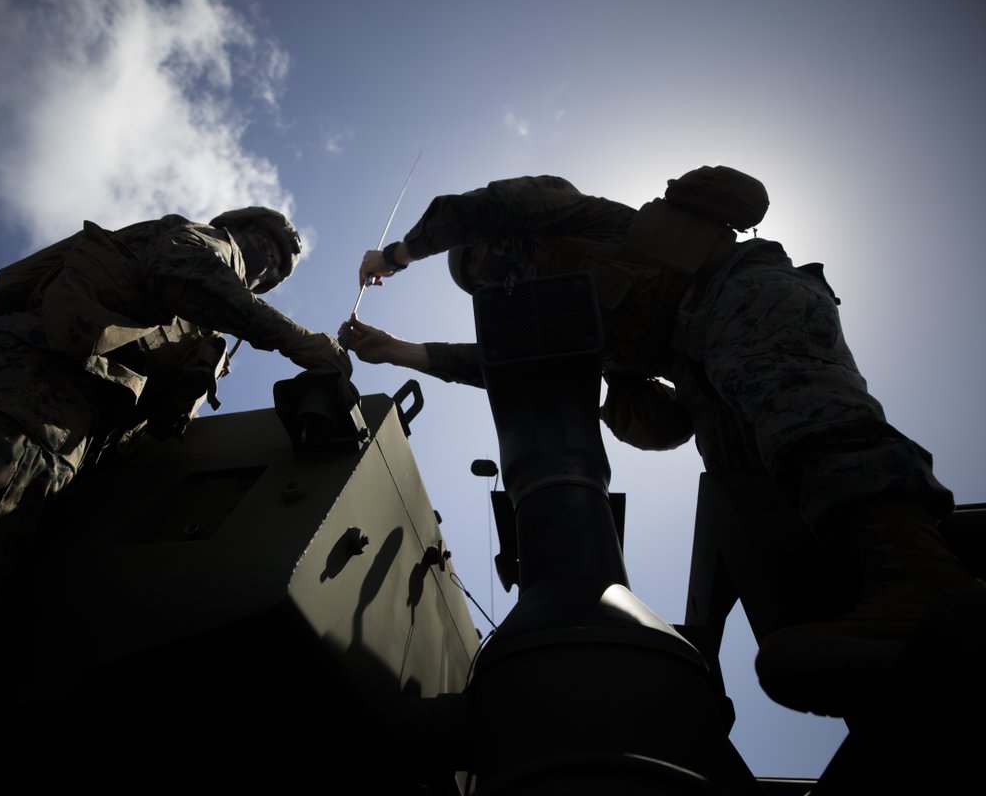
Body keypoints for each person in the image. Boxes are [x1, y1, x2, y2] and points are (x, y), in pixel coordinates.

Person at [339, 170, 983, 718]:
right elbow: (510, 360)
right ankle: (867, 630)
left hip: (734, 291)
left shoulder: (568, 215)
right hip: (696, 364)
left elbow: (478, 206)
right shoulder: (561, 304)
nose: (484, 276)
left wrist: (397, 255)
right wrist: (400, 352)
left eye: (475, 260)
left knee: (805, 420)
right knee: (748, 490)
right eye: (475, 281)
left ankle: (924, 585)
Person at [0, 207, 351, 751]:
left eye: (278, 270)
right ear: (237, 229)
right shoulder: (200, 245)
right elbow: (191, 277)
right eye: (266, 248)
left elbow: (160, 423)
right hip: (28, 409)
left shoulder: (190, 323)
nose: (267, 268)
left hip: (22, 411)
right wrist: (308, 346)